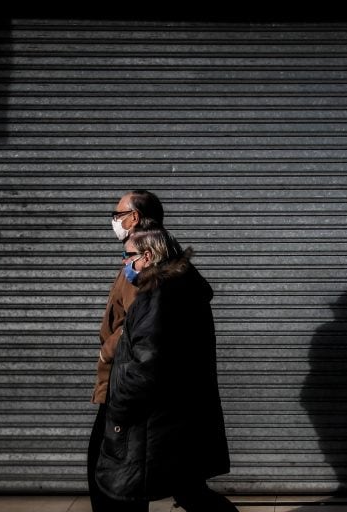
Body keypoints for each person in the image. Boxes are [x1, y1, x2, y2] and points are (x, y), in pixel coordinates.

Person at [95, 227, 237, 512]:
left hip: (156, 420)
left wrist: (119, 403)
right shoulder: (181, 288)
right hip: (179, 417)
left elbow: (148, 362)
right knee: (190, 492)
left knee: (124, 493)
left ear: (147, 256)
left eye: (128, 255)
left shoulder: (158, 296)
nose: (124, 263)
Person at [88, 190, 164, 512]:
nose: (114, 220)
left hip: (123, 385)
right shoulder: (140, 257)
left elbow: (138, 327)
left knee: (110, 478)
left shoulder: (141, 261)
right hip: (122, 383)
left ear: (134, 218)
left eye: (118, 213)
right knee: (121, 476)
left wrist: (107, 351)